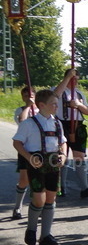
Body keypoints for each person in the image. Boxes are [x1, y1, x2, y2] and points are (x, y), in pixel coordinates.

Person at [12, 89, 66, 245]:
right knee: (39, 199)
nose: (56, 107)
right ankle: (31, 230)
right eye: (53, 104)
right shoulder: (29, 123)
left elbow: (62, 141)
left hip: (53, 163)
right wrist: (29, 158)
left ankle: (46, 235)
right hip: (36, 163)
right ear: (41, 105)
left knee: (51, 197)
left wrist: (63, 155)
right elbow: (17, 143)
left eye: (57, 104)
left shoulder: (57, 122)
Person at [54, 68, 88, 198]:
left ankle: (85, 188)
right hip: (62, 125)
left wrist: (78, 104)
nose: (75, 82)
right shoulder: (58, 90)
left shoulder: (79, 94)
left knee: (79, 158)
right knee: (63, 158)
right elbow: (55, 95)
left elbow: (87, 111)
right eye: (72, 79)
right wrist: (67, 78)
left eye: (76, 79)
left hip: (78, 126)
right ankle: (62, 187)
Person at [11, 86, 38, 220]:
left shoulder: (41, 110)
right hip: (25, 149)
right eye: (26, 96)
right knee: (24, 180)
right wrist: (28, 106)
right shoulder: (21, 110)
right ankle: (17, 206)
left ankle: (38, 206)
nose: (29, 98)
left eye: (31, 95)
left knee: (39, 180)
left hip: (39, 150)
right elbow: (22, 121)